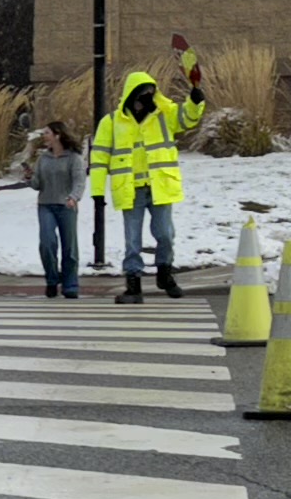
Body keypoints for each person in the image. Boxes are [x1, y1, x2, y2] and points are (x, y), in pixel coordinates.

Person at [88, 41, 206, 303]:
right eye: (143, 94)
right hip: (131, 190)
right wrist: (97, 192)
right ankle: (133, 285)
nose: (148, 99)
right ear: (132, 95)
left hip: (160, 186)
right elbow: (98, 159)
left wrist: (195, 102)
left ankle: (165, 272)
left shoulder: (163, 114)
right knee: (132, 240)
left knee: (165, 234)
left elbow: (187, 119)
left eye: (151, 93)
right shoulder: (111, 122)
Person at [25, 120, 86, 297]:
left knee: (70, 246)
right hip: (46, 204)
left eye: (47, 133)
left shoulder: (73, 158)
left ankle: (70, 284)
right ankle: (52, 279)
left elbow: (79, 181)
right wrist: (30, 177)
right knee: (47, 242)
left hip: (66, 205)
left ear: (57, 135)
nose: (44, 136)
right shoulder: (43, 158)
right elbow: (37, 184)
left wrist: (74, 198)